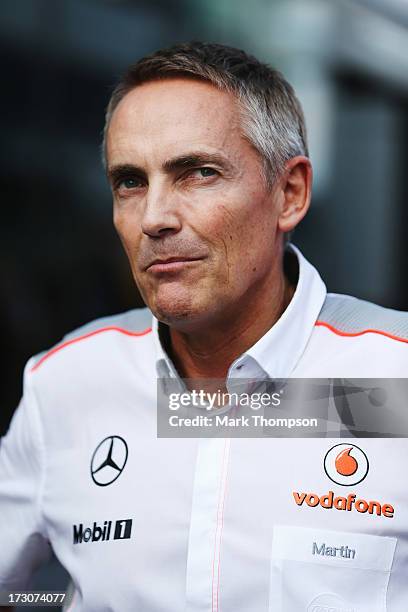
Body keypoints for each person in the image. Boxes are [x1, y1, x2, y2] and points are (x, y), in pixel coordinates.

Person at [1, 42, 407, 612]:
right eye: (130, 182)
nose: (154, 218)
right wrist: (60, 600)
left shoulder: (394, 374)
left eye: (198, 173)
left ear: (288, 193)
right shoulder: (66, 383)